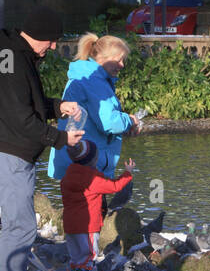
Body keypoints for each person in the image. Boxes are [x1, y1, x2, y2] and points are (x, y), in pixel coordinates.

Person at [0, 7, 84, 271]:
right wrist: (59, 138)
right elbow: (20, 118)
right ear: (36, 34)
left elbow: (27, 105)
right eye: (50, 41)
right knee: (20, 227)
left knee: (18, 226)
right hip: (8, 154)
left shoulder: (18, 56)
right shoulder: (12, 61)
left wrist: (56, 106)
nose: (52, 47)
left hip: (11, 153)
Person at [47, 33, 140, 187]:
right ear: (103, 58)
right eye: (119, 60)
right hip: (86, 164)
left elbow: (95, 120)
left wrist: (125, 127)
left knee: (77, 208)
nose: (122, 65)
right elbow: (108, 122)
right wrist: (130, 121)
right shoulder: (94, 81)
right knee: (93, 209)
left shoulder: (88, 76)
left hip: (76, 159)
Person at [60, 143, 134, 271]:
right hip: (87, 226)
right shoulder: (92, 179)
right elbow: (114, 186)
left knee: (76, 258)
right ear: (93, 160)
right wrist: (128, 173)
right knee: (88, 256)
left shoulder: (67, 176)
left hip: (70, 225)